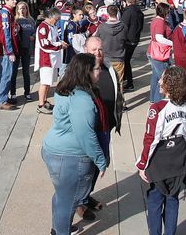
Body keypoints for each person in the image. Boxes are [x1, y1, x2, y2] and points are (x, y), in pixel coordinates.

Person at [40, 53, 108, 235]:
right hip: (70, 158)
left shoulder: (65, 88)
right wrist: (101, 160)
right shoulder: (82, 100)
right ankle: (61, 231)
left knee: (62, 196)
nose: (99, 71)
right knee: (68, 201)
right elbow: (85, 135)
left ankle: (59, 228)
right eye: (96, 68)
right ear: (85, 72)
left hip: (54, 150)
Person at [136, 66, 186, 235]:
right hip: (180, 156)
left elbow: (150, 139)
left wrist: (142, 164)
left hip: (160, 158)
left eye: (162, 79)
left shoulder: (157, 108)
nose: (158, 81)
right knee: (172, 199)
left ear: (169, 84)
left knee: (155, 200)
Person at [79, 36, 123, 223]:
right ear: (85, 51)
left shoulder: (109, 67)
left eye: (100, 49)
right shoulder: (80, 72)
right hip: (90, 129)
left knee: (101, 163)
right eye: (93, 50)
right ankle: (80, 202)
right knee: (87, 168)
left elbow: (116, 91)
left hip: (106, 126)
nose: (97, 53)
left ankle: (86, 195)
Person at [35, 8, 65, 114]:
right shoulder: (43, 27)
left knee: (49, 83)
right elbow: (44, 44)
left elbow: (55, 39)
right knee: (44, 82)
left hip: (52, 59)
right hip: (46, 58)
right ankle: (40, 104)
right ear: (51, 17)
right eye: (56, 19)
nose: (57, 21)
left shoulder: (52, 26)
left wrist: (60, 43)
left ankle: (44, 100)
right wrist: (59, 46)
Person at [0, 0, 19, 110]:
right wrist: (10, 51)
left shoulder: (9, 13)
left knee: (5, 75)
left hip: (8, 49)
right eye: (13, 0)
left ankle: (1, 98)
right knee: (6, 75)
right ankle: (2, 100)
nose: (15, 1)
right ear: (6, 0)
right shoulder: (5, 14)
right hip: (6, 50)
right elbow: (6, 34)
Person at [148, 1, 174, 103]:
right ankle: (158, 102)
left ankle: (153, 100)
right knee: (163, 80)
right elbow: (159, 38)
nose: (169, 14)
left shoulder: (155, 20)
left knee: (155, 77)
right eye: (168, 12)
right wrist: (172, 43)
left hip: (153, 52)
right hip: (159, 54)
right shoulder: (160, 22)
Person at [121, 0, 143, 90]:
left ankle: (129, 82)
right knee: (127, 60)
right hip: (135, 38)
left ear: (127, 2)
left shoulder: (128, 12)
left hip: (128, 39)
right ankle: (126, 77)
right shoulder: (139, 12)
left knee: (125, 61)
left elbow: (123, 26)